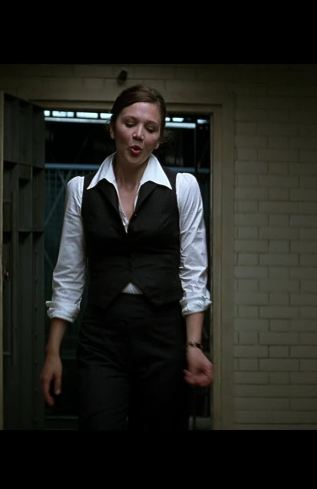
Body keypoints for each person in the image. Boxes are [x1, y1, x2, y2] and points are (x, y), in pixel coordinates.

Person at [39, 85, 213, 431]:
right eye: (130, 123)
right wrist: (53, 352)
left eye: (150, 128)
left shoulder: (183, 187)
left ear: (159, 138)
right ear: (112, 127)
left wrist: (193, 344)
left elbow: (194, 271)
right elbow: (69, 275)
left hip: (163, 333)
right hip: (103, 334)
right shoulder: (81, 189)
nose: (138, 135)